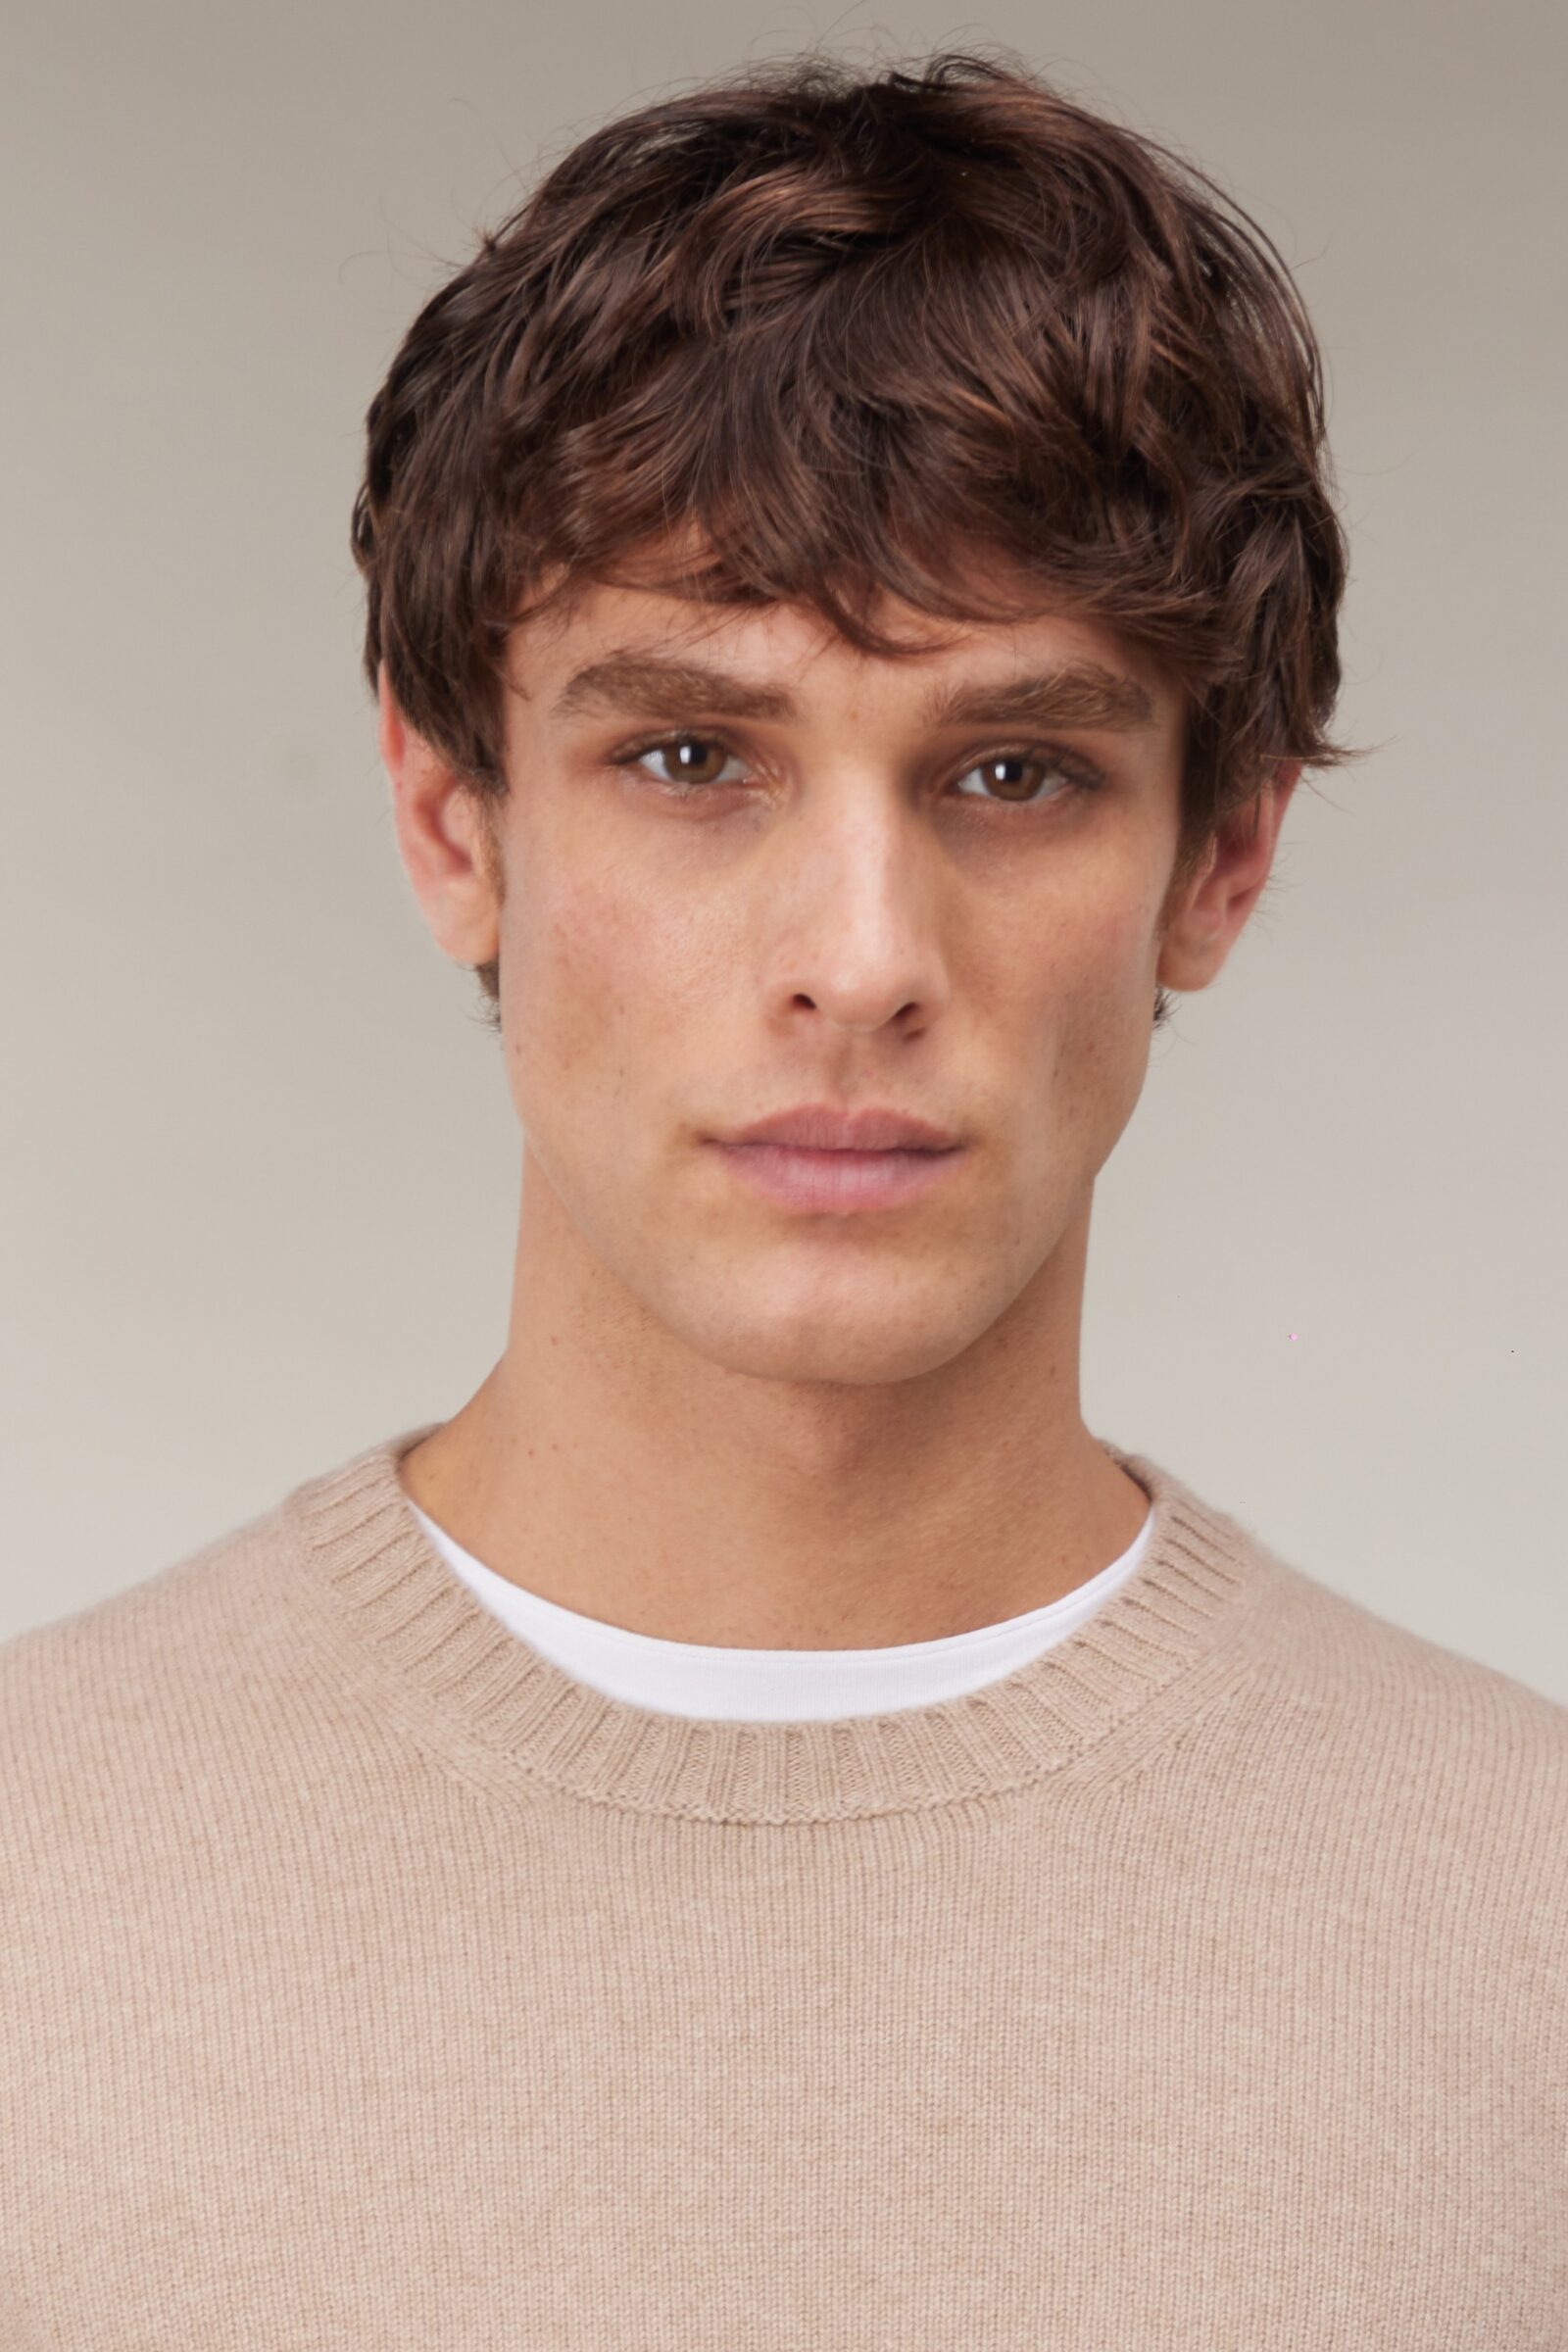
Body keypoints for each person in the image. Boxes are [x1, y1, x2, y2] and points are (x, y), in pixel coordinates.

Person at [3, 49, 1564, 2349]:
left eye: (1011, 770)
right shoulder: (32, 1891)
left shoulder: (1521, 1938)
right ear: (452, 825)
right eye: (687, 756)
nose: (858, 958)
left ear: (1217, 858)